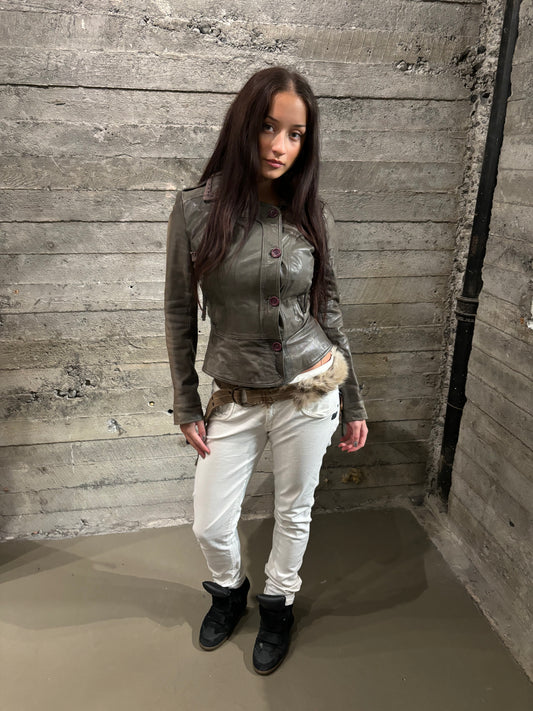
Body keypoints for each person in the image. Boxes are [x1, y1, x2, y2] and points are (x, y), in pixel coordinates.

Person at [164, 66, 368, 675]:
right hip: (236, 393)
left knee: (294, 510)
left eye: (295, 134)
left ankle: (278, 603)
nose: (280, 146)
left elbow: (330, 311)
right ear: (244, 126)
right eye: (269, 127)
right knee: (210, 523)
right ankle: (229, 591)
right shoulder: (195, 210)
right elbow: (179, 311)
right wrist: (185, 402)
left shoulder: (312, 213)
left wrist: (354, 403)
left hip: (312, 386)